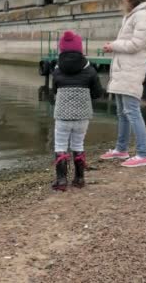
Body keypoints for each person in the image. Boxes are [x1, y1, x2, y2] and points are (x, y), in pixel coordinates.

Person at [100, 0, 146, 167]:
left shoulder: (143, 15)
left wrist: (114, 45)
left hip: (131, 71)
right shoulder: (134, 14)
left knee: (132, 111)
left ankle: (143, 154)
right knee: (122, 112)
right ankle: (121, 149)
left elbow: (137, 44)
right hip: (123, 70)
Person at [52, 30, 103, 191]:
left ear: (61, 49)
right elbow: (97, 93)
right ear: (80, 49)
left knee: (60, 145)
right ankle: (79, 179)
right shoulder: (90, 70)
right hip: (82, 116)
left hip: (62, 115)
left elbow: (54, 90)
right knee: (78, 144)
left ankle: (61, 181)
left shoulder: (57, 69)